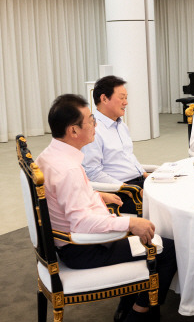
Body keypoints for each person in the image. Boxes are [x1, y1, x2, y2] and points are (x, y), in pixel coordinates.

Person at [36, 94, 177, 322]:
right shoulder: (68, 169)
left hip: (70, 241)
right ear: (73, 130)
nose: (95, 125)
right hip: (85, 248)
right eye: (91, 120)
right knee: (169, 249)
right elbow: (83, 223)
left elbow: (61, 196)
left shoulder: (50, 155)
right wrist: (131, 223)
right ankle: (138, 313)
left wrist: (96, 194)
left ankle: (130, 299)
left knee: (149, 235)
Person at [81, 75, 147, 214]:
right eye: (122, 98)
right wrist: (126, 188)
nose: (126, 102)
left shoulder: (121, 125)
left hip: (138, 183)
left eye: (126, 98)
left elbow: (128, 156)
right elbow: (92, 172)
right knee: (167, 208)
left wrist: (145, 173)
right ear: (104, 99)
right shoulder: (93, 130)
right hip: (120, 192)